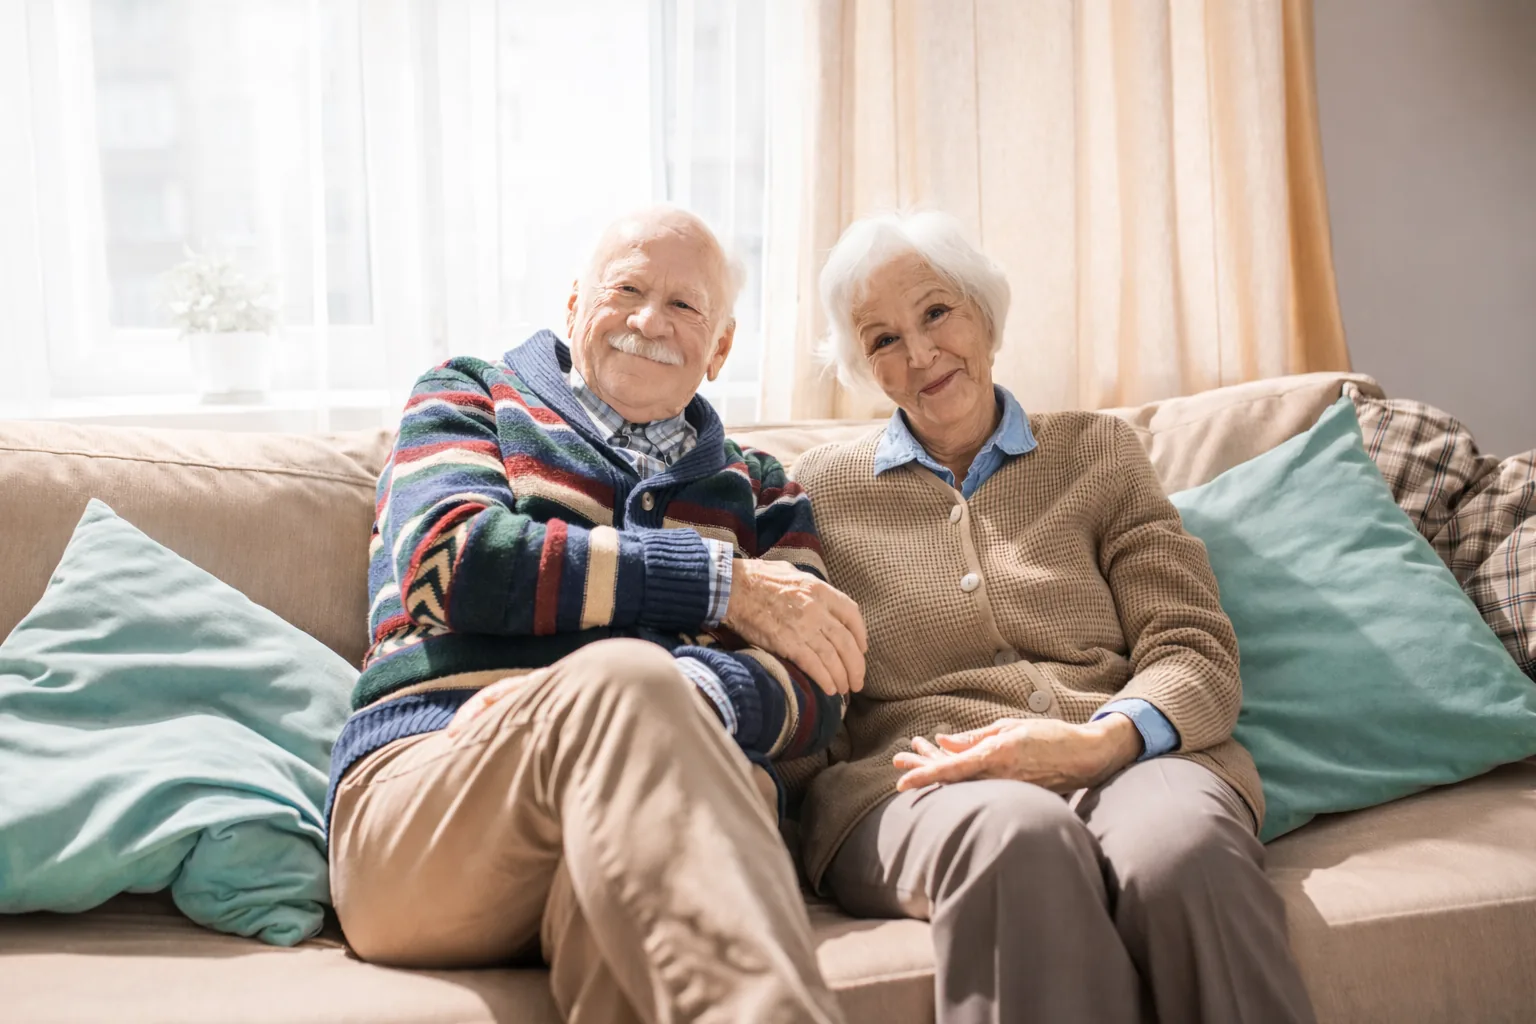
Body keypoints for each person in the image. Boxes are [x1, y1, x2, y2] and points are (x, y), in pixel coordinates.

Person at [326, 205, 864, 1024]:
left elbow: (818, 679)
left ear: (720, 348)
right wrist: (719, 588)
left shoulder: (762, 489)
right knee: (627, 684)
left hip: (647, 828)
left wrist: (662, 698)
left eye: (685, 306)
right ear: (575, 306)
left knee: (654, 728)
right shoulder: (470, 396)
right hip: (435, 804)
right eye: (628, 289)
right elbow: (448, 564)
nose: (650, 320)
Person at [791, 210, 1316, 1024]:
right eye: (882, 339)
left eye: (936, 313)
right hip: (921, 778)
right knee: (1020, 839)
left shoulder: (1097, 453)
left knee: (1185, 853)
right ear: (865, 366)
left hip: (1122, 757)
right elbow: (801, 678)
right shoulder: (816, 492)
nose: (920, 353)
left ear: (984, 315)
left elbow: (1194, 647)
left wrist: (1097, 742)